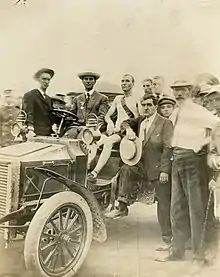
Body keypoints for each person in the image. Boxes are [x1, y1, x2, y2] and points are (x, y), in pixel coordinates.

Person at [158, 80, 219, 263]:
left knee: (196, 209)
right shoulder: (176, 113)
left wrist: (207, 146)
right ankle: (177, 251)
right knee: (176, 208)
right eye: (175, 91)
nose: (178, 95)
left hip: (194, 161)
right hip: (177, 160)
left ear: (190, 92)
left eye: (182, 91)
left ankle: (199, 255)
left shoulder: (200, 112)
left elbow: (217, 127)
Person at [106, 94, 173, 248]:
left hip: (157, 168)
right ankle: (122, 206)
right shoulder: (141, 120)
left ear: (156, 106)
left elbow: (168, 148)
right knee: (126, 169)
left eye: (149, 105)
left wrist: (164, 171)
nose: (146, 108)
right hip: (141, 164)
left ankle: (168, 239)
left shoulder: (165, 123)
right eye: (144, 105)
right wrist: (129, 129)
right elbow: (124, 123)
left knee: (164, 205)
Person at [88, 74, 140, 182]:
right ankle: (86, 167)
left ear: (133, 84)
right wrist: (110, 123)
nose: (124, 83)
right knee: (94, 141)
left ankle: (95, 172)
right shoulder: (118, 99)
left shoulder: (137, 99)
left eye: (127, 81)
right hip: (115, 131)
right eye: (122, 81)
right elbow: (107, 115)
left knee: (108, 142)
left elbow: (139, 118)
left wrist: (128, 128)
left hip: (126, 132)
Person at [64, 71, 109, 138]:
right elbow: (72, 114)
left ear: (95, 81)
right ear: (82, 81)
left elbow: (101, 117)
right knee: (67, 138)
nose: (88, 81)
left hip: (93, 128)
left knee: (82, 140)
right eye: (86, 79)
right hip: (76, 127)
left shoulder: (102, 98)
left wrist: (91, 127)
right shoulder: (77, 99)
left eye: (91, 79)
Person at [22, 68, 56, 137]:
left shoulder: (48, 99)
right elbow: (28, 113)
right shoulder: (30, 95)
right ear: (37, 80)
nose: (46, 82)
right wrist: (30, 130)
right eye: (43, 79)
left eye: (48, 80)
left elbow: (50, 117)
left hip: (48, 133)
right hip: (35, 133)